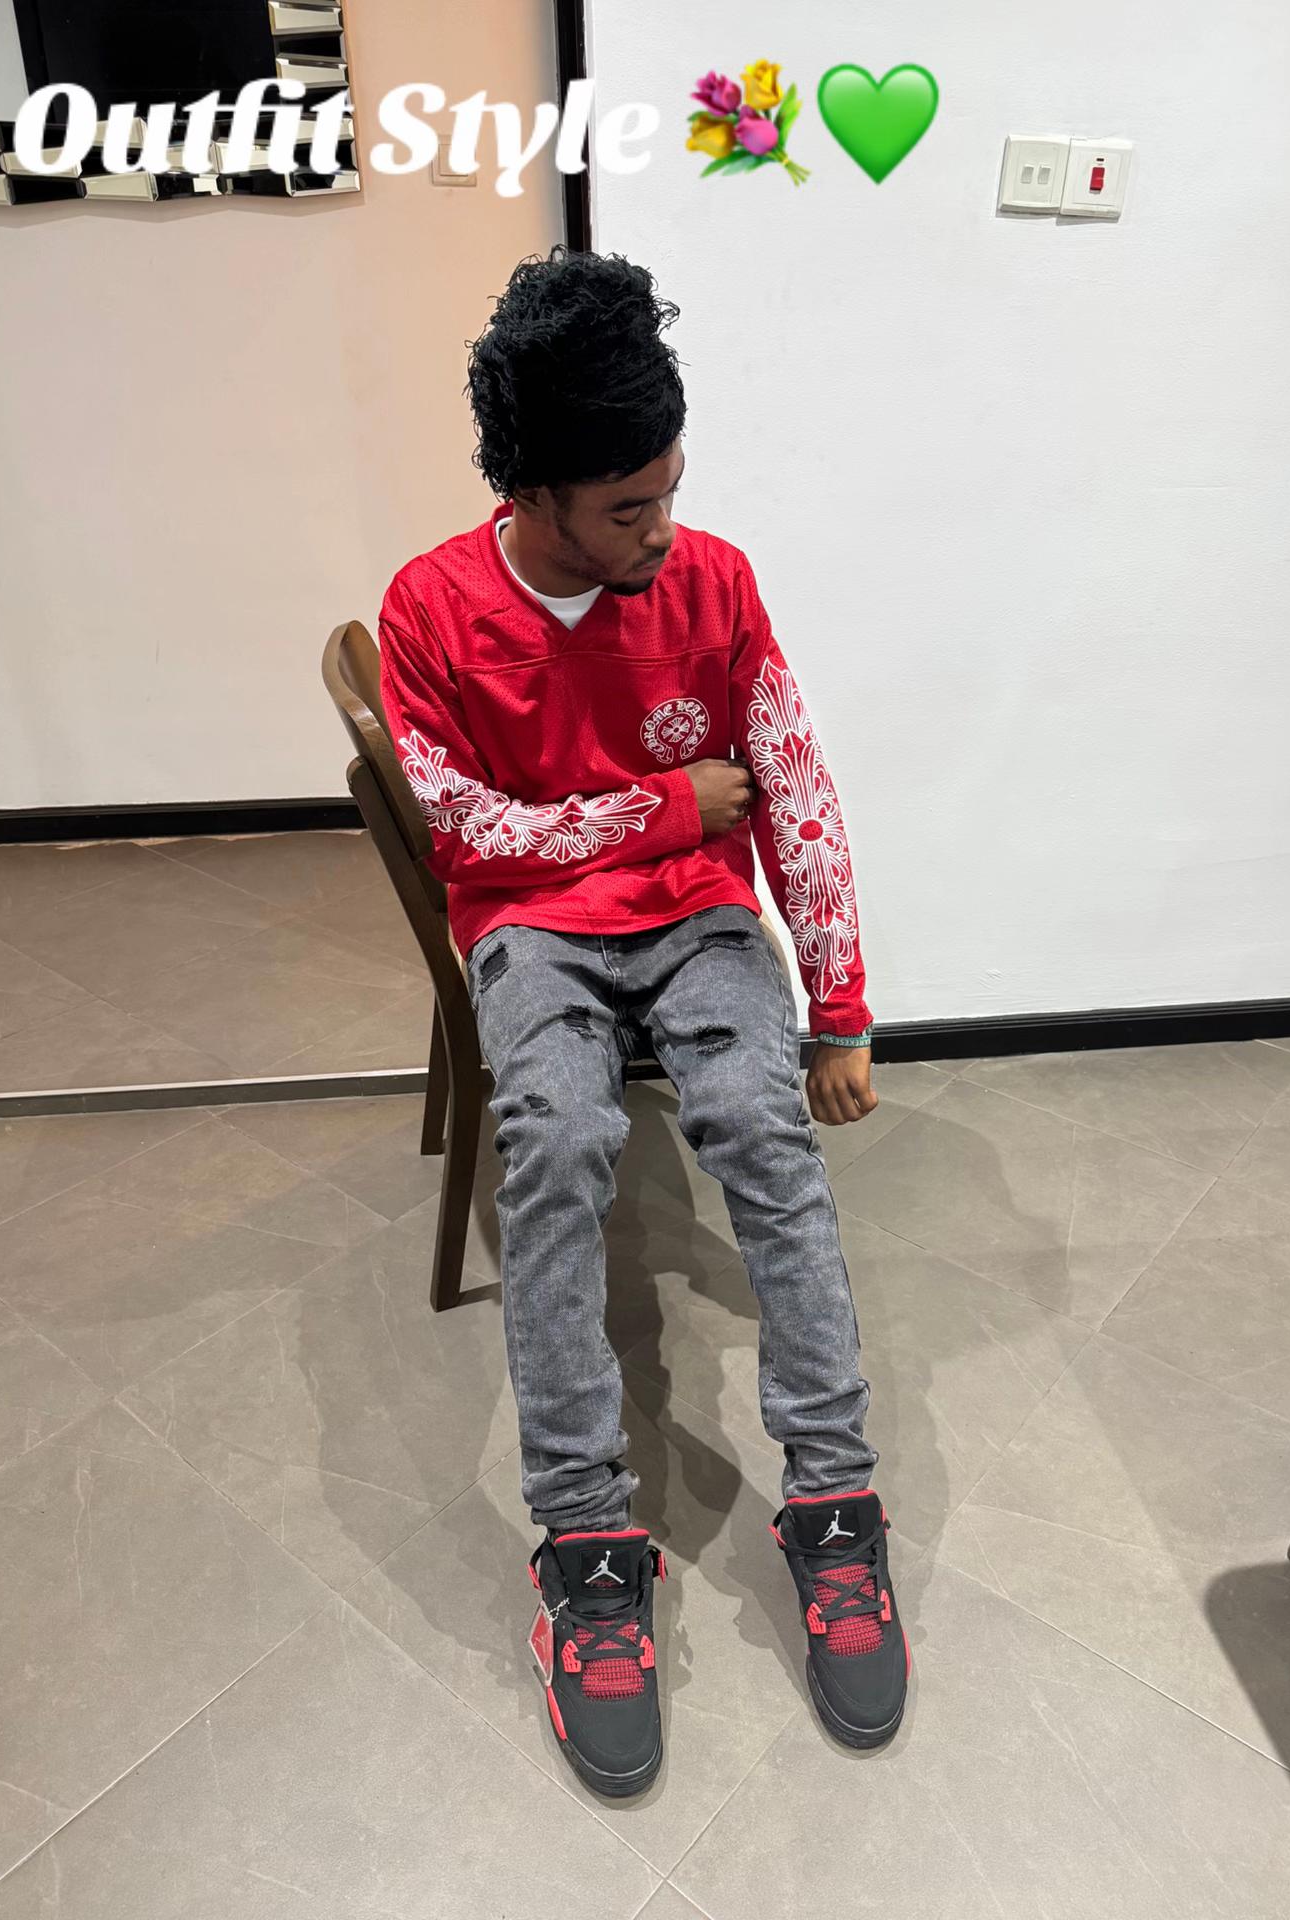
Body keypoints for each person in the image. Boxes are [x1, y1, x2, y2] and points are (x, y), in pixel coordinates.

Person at [379, 247, 908, 1797]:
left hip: (697, 922)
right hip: (534, 930)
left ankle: (836, 1503)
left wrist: (839, 1006)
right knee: (554, 1141)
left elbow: (793, 786)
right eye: (627, 510)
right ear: (534, 494)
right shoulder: (431, 609)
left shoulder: (714, 584)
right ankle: (587, 1542)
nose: (662, 532)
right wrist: (660, 806)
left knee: (762, 1133)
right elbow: (465, 832)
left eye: (672, 492)